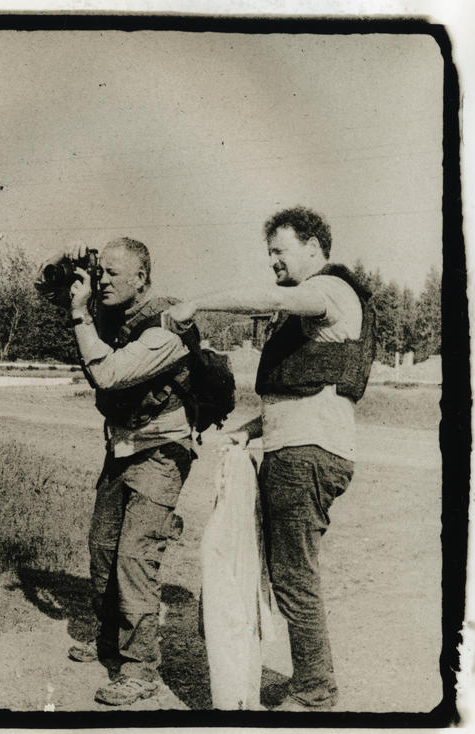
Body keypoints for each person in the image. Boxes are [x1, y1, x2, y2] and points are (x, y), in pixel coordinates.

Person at [165, 206, 375, 710]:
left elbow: (269, 298)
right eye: (269, 254)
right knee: (288, 572)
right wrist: (248, 430)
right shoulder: (318, 306)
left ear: (313, 247)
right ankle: (312, 682)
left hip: (305, 457)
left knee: (293, 574)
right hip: (299, 447)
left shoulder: (330, 290)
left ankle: (315, 690)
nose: (273, 262)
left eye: (279, 251)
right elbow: (306, 392)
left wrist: (199, 302)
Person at [41, 237, 198, 706]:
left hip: (162, 449)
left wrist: (80, 315)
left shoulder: (168, 324)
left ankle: (141, 669)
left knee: (135, 556)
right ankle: (110, 640)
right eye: (99, 272)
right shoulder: (116, 312)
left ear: (141, 279)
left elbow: (108, 374)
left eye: (112, 274)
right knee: (103, 546)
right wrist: (67, 261)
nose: (102, 281)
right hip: (122, 445)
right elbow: (44, 284)